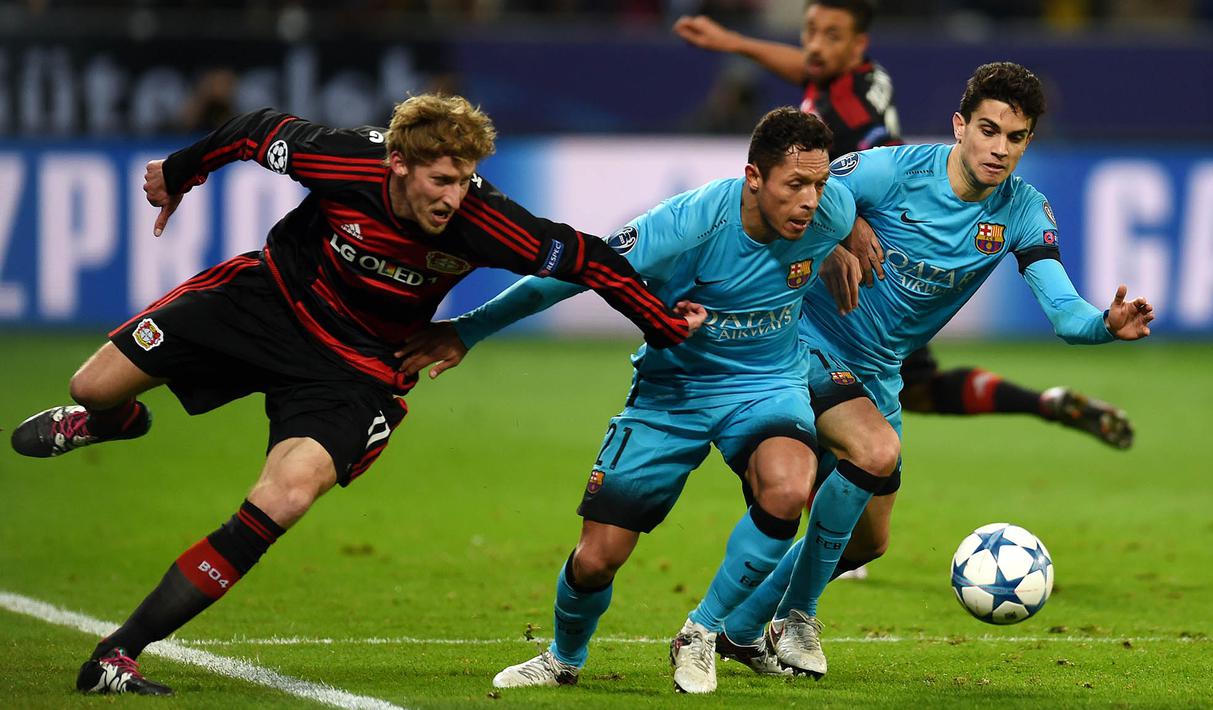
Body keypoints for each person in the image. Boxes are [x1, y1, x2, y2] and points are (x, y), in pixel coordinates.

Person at [8, 94, 705, 696]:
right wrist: (183, 173)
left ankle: (117, 654)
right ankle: (116, 420)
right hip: (268, 301)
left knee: (285, 494)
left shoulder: (482, 220)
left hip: (355, 368)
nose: (452, 197)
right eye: (440, 179)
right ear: (397, 164)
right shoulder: (341, 159)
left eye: (464, 180)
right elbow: (254, 130)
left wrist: (665, 325)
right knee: (89, 385)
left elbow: (587, 259)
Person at [395, 107, 883, 694]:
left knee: (788, 485)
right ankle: (562, 657)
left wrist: (844, 236)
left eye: (820, 185)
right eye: (795, 185)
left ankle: (700, 633)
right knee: (598, 558)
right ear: (754, 177)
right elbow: (576, 272)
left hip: (766, 383)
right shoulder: (689, 223)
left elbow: (854, 205)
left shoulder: (831, 211)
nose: (811, 200)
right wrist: (468, 328)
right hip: (670, 392)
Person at [716, 61, 1154, 678]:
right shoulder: (894, 170)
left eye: (1016, 137)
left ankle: (740, 627)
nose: (999, 149)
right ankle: (788, 619)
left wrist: (1105, 325)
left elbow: (1063, 312)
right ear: (960, 125)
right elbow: (806, 193)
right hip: (807, 341)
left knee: (870, 541)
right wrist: (846, 231)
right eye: (988, 129)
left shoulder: (1024, 211)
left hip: (879, 370)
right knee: (876, 451)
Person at [675, 0, 1134, 451]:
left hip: (882, 291)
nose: (813, 46)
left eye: (1013, 137)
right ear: (962, 126)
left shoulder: (858, 112)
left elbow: (883, 153)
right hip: (821, 325)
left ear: (858, 44)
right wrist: (732, 41)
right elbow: (814, 83)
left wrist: (859, 216)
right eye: (808, 31)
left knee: (907, 403)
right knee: (838, 445)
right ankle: (1042, 403)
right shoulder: (851, 80)